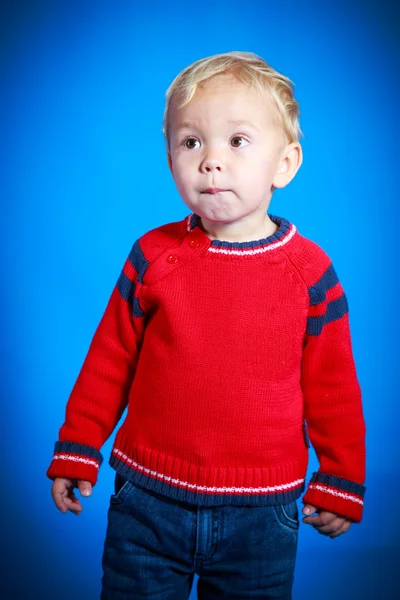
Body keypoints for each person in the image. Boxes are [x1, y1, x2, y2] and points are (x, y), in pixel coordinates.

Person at [47, 51, 366, 599]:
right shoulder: (152, 255)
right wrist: (78, 446)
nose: (210, 161)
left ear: (285, 164)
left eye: (237, 141)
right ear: (170, 158)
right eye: (191, 142)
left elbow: (334, 388)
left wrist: (339, 479)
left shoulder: (310, 274)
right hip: (147, 500)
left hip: (262, 514)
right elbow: (109, 360)